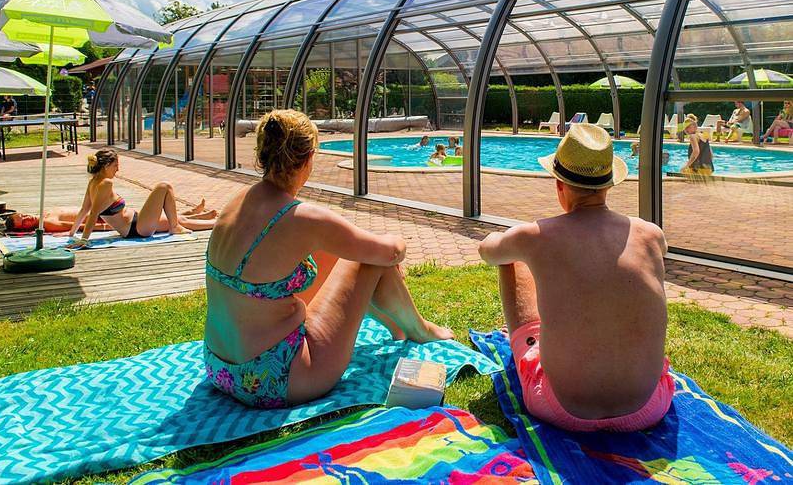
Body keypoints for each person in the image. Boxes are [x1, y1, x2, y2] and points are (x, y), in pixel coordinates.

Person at [203, 109, 452, 409]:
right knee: (371, 258)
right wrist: (397, 243)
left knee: (344, 250)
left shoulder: (237, 203)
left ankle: (398, 327)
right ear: (309, 158)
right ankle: (419, 330)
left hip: (222, 368)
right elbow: (389, 252)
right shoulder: (301, 217)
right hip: (275, 379)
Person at [479, 124, 673, 432]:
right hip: (649, 406)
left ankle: (527, 335)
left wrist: (507, 239)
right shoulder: (650, 235)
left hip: (564, 409)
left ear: (559, 184)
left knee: (511, 260)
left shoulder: (535, 236)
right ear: (609, 185)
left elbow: (488, 252)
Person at [65, 148, 216, 249]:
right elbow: (92, 213)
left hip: (137, 222)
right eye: (115, 166)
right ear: (106, 166)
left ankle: (214, 222)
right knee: (165, 186)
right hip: (136, 228)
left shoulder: (94, 182)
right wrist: (84, 240)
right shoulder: (105, 183)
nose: (118, 169)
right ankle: (178, 226)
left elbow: (84, 209)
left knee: (178, 219)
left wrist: (72, 234)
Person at [5, 200, 217, 235]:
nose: (26, 217)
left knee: (165, 215)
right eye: (23, 222)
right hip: (110, 219)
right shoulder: (47, 223)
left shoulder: (44, 213)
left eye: (22, 215)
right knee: (171, 220)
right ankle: (209, 220)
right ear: (24, 229)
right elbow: (76, 226)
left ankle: (197, 213)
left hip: (114, 216)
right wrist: (103, 229)